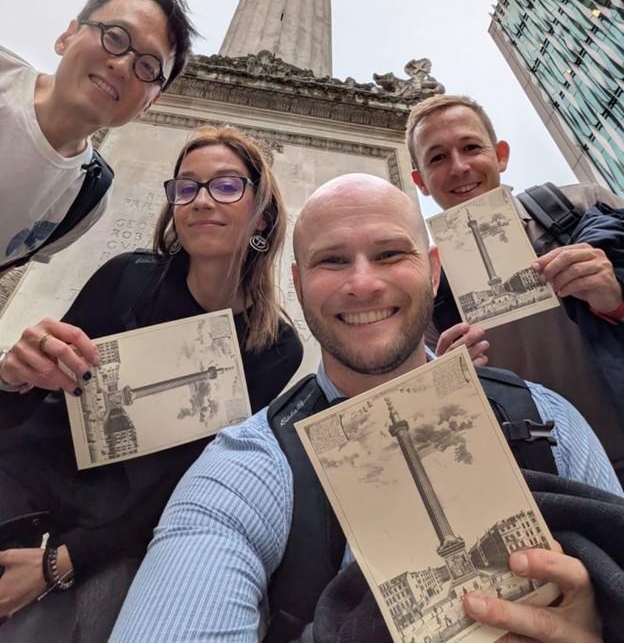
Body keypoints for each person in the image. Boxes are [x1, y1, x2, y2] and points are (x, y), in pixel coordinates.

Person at [110, 174, 621, 643]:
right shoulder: (247, 467)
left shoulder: (548, 420)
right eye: (332, 260)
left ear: (435, 269)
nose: (362, 284)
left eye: (391, 254)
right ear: (299, 281)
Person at [0, 125, 303, 641]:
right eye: (186, 187)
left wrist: (64, 561)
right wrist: (11, 376)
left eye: (226, 186)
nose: (201, 200)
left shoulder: (273, 346)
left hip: (111, 539)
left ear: (264, 213)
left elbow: (187, 479)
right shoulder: (127, 276)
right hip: (19, 489)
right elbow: (36, 409)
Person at [405, 94, 624, 482]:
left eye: (471, 147)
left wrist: (616, 299)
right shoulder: (427, 286)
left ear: (500, 155)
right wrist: (452, 378)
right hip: (553, 483)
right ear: (420, 181)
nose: (459, 167)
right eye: (437, 158)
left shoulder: (581, 206)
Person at [0, 0, 196, 272]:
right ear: (67, 36)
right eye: (115, 37)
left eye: (147, 66)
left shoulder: (86, 199)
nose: (121, 66)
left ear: (149, 105)